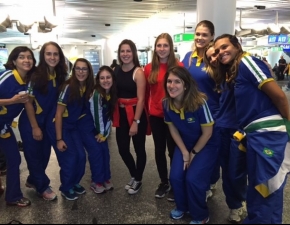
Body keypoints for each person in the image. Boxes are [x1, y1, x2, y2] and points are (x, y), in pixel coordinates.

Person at [214, 34, 290, 224]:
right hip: (257, 134)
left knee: (263, 191)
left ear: (237, 45)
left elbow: (279, 96)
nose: (221, 52)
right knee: (268, 190)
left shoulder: (247, 62)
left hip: (268, 133)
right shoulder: (236, 70)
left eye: (225, 47)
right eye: (217, 50)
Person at [163, 66, 218, 224]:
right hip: (185, 145)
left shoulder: (200, 102)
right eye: (169, 81)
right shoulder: (166, 104)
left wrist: (193, 153)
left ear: (185, 85)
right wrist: (184, 153)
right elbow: (173, 130)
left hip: (206, 145)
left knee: (193, 179)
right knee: (175, 176)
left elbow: (207, 133)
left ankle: (201, 215)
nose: (172, 85)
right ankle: (183, 207)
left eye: (177, 82)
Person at [204, 43, 248, 223]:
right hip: (220, 127)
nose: (214, 58)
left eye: (216, 54)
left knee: (234, 171)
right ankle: (235, 204)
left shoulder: (241, 69)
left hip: (238, 130)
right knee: (222, 167)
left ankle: (238, 202)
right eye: (210, 57)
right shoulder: (220, 76)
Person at [18, 41, 67, 201]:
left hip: (47, 122)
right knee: (33, 155)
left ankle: (33, 180)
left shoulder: (59, 76)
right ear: (42, 55)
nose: (52, 57)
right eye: (48, 54)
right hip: (31, 122)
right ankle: (42, 186)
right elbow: (27, 103)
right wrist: (34, 127)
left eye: (55, 54)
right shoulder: (36, 76)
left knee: (44, 154)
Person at [182, 20, 220, 198]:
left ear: (212, 36)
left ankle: (209, 183)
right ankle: (203, 183)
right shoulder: (188, 57)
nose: (200, 38)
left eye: (205, 35)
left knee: (210, 154)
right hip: (192, 115)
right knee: (196, 151)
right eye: (198, 34)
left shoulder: (215, 58)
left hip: (213, 115)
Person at [144, 33, 183, 201]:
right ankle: (163, 182)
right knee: (159, 150)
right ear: (155, 48)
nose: (162, 49)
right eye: (159, 46)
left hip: (174, 115)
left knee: (174, 151)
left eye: (165, 45)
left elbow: (185, 91)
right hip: (156, 115)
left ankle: (175, 183)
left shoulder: (179, 66)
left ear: (170, 47)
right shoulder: (149, 68)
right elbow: (146, 94)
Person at [0, 46, 36, 207]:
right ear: (14, 61)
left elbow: (27, 103)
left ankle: (13, 196)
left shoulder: (28, 81)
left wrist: (35, 127)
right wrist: (11, 101)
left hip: (3, 126)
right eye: (22, 57)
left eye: (29, 57)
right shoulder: (6, 76)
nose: (26, 60)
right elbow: (16, 101)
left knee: (14, 158)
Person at [54, 58, 94, 201]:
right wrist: (59, 139)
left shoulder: (88, 87)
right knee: (71, 159)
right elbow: (58, 114)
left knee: (82, 157)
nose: (81, 72)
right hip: (64, 128)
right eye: (78, 68)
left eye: (84, 69)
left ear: (89, 71)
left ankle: (74, 182)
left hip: (74, 127)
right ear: (73, 70)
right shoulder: (68, 87)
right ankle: (66, 187)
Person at [112, 39, 148, 195]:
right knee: (122, 149)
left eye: (128, 51)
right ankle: (134, 174)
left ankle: (138, 179)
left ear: (133, 53)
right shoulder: (117, 70)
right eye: (122, 51)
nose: (125, 54)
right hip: (121, 113)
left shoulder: (138, 72)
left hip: (136, 114)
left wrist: (136, 122)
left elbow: (141, 99)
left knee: (139, 148)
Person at [78, 65, 117, 194]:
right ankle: (97, 181)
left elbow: (109, 116)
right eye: (102, 78)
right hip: (89, 128)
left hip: (100, 128)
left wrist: (105, 133)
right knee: (96, 153)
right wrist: (102, 133)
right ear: (98, 80)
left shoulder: (111, 93)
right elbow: (97, 115)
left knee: (105, 152)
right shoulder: (96, 95)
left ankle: (106, 178)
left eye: (108, 77)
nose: (105, 80)